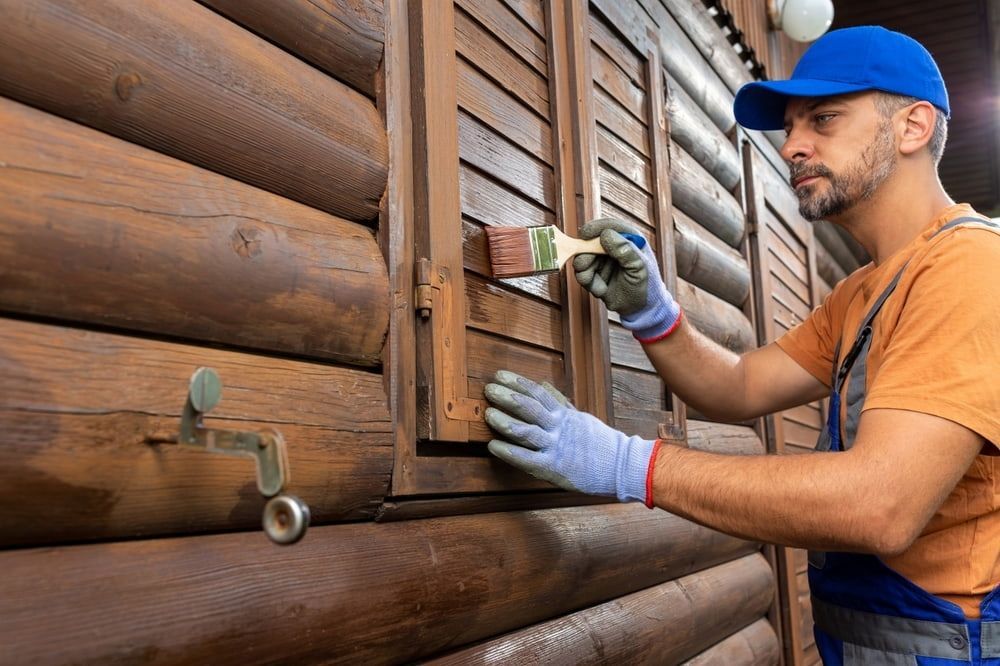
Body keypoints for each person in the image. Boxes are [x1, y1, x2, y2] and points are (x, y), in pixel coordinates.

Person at [482, 26, 1000, 665]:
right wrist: (653, 314)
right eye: (790, 126)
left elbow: (880, 504)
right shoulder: (864, 289)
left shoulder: (969, 268)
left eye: (824, 118)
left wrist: (627, 464)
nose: (793, 146)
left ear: (913, 127)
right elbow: (743, 386)